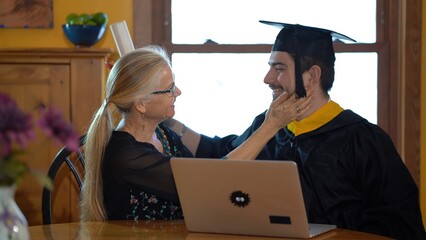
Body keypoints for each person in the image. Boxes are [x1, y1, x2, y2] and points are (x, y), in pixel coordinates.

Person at [165, 21, 426, 239]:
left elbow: (401, 224)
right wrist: (167, 122)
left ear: (312, 76)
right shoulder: (268, 126)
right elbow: (225, 153)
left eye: (278, 69)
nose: (267, 79)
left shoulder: (363, 140)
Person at [79, 45, 311, 222]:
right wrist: (271, 126)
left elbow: (206, 171)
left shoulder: (164, 136)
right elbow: (208, 185)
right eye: (169, 89)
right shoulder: (126, 157)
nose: (178, 92)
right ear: (141, 104)